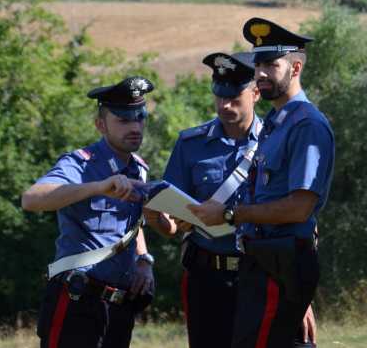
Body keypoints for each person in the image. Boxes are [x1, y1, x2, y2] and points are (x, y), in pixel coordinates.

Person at [190, 18, 334, 348]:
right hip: (263, 258)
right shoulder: (276, 122)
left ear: (296, 67)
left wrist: (231, 215)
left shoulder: (306, 124)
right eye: (259, 64)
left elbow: (300, 207)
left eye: (272, 64)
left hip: (280, 257)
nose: (262, 73)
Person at [162, 51, 317, 348]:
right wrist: (163, 218)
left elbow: (299, 215)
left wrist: (300, 296)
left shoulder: (279, 140)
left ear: (256, 92)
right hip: (207, 276)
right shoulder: (190, 144)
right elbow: (169, 217)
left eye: (234, 97)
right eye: (219, 96)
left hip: (264, 273)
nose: (224, 105)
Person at [22, 76, 173, 348]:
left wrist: (143, 259)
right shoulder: (80, 164)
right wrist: (98, 187)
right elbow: (31, 199)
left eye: (140, 117)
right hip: (77, 301)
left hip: (118, 307)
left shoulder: (139, 167)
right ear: (101, 125)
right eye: (124, 120)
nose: (135, 126)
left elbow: (133, 224)